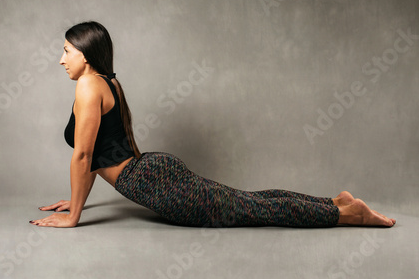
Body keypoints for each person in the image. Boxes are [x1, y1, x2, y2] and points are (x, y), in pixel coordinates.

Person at [29, 21, 396, 228]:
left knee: (249, 209)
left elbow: (82, 155)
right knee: (247, 201)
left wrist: (74, 217)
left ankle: (346, 214)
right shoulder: (107, 81)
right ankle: (335, 201)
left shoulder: (89, 85)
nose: (61, 60)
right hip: (154, 171)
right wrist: (76, 200)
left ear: (86, 54)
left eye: (66, 51)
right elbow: (93, 156)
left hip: (152, 182)